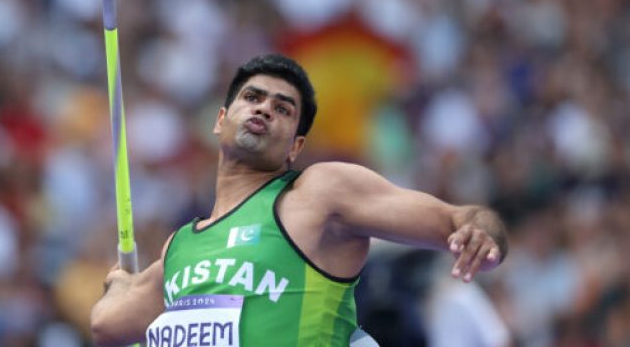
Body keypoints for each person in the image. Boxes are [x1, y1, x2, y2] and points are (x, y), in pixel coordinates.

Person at [90, 54, 508, 347]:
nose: (264, 109)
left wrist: (482, 234)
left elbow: (462, 219)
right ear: (221, 120)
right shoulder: (181, 245)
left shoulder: (317, 196)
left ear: (296, 145)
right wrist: (119, 285)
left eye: (283, 109)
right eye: (252, 98)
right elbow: (108, 326)